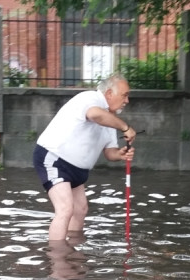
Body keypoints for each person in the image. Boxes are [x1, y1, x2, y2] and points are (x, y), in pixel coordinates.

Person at [32, 74, 137, 241]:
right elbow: (95, 115)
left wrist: (121, 154)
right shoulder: (90, 98)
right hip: (54, 158)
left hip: (78, 170)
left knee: (80, 210)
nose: (127, 101)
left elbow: (110, 153)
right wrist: (125, 127)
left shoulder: (110, 120)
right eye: (124, 95)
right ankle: (57, 259)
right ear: (109, 93)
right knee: (65, 209)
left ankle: (72, 253)